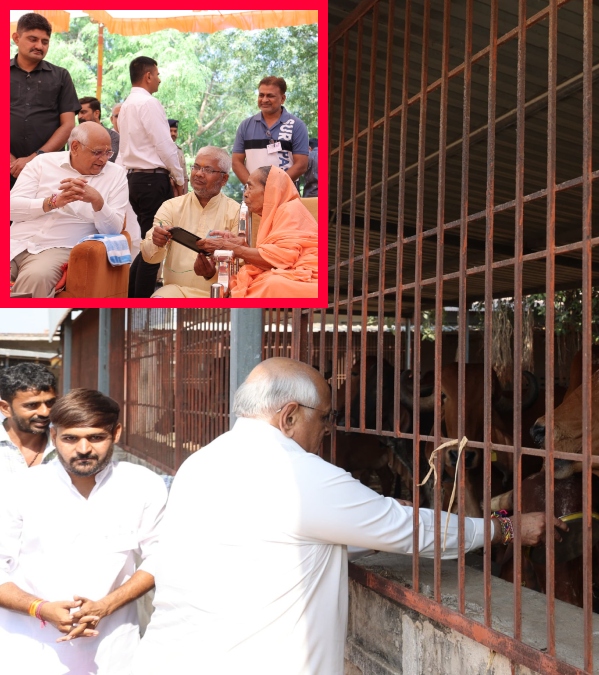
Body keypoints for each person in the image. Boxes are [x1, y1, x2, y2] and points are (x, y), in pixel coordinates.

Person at [132, 358, 563, 675]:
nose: (328, 430)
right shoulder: (301, 476)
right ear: (289, 416)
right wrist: (504, 526)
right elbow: (407, 529)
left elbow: (293, 539)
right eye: (326, 418)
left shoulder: (201, 463)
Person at [0, 389, 166, 674]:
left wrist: (105, 606)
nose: (84, 448)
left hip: (113, 651)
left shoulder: (142, 485)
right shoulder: (20, 489)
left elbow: (162, 558)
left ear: (116, 432)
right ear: (54, 437)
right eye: (70, 438)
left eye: (96, 437)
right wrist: (40, 609)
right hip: (29, 651)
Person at [10, 122, 130, 298]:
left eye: (108, 152)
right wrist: (50, 203)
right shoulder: (43, 163)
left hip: (57, 248)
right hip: (15, 241)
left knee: (36, 278)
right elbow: (10, 208)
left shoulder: (116, 175)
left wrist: (98, 202)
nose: (104, 159)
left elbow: (115, 231)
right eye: (97, 152)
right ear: (75, 147)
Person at [116, 55, 187, 299]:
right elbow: (165, 145)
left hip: (135, 180)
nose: (159, 79)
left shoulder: (126, 105)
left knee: (149, 245)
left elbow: (125, 150)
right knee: (155, 247)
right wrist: (179, 178)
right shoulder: (149, 103)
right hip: (152, 180)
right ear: (148, 76)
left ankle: (131, 299)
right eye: (157, 74)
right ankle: (138, 305)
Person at [197, 166, 318, 298]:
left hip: (310, 274)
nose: (245, 194)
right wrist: (242, 246)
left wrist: (232, 248)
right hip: (286, 272)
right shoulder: (273, 215)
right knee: (255, 282)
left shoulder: (290, 209)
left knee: (272, 284)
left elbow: (281, 259)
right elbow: (273, 256)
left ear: (270, 190)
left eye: (250, 187)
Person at [143, 147, 241, 298]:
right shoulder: (171, 206)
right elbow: (149, 257)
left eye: (207, 169)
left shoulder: (236, 212)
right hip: (176, 291)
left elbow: (240, 265)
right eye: (196, 167)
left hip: (218, 294)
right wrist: (157, 242)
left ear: (224, 179)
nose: (199, 173)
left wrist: (212, 273)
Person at [10, 12, 79, 189]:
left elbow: (68, 125)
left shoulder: (61, 76)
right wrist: (9, 161)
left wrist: (35, 158)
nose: (39, 46)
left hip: (48, 168)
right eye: (33, 39)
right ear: (16, 38)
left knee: (46, 214)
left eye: (45, 41)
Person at [231, 76, 309, 186]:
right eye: (261, 95)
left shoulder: (297, 125)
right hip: (253, 195)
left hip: (286, 195)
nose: (264, 100)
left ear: (282, 99)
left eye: (270, 96)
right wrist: (254, 187)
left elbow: (301, 165)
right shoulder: (245, 125)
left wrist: (273, 187)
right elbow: (236, 162)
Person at [0, 363, 57, 481]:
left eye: (50, 403)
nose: (45, 412)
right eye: (32, 405)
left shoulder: (66, 444)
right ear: (6, 408)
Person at [77, 96, 119, 162]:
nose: (79, 117)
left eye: (83, 112)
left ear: (96, 113)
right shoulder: (75, 136)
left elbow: (108, 160)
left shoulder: (113, 136)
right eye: (78, 113)